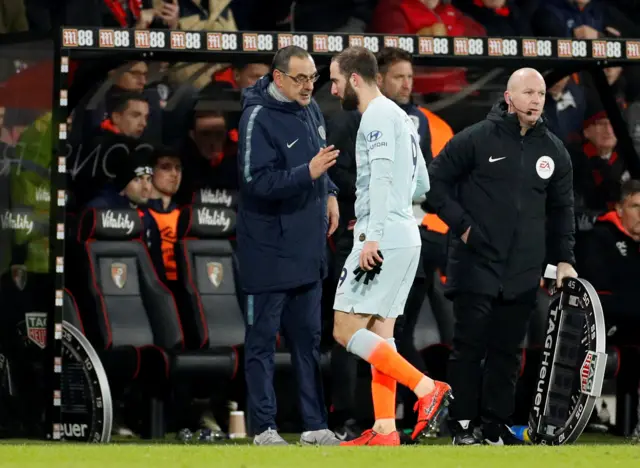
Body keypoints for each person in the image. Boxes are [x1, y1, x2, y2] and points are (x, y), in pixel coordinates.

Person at [425, 67, 578, 445]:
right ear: (509, 97)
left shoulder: (554, 151)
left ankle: (494, 426)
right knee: (470, 345)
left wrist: (564, 258)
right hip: (476, 261)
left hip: (523, 268)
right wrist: (461, 225)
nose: (536, 101)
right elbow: (433, 183)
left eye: (541, 94)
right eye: (528, 93)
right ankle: (461, 424)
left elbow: (563, 210)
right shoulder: (476, 138)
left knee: (508, 351)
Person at [329, 46, 451, 447]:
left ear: (354, 78)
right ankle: (385, 429)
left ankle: (425, 388)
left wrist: (372, 236)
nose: (331, 90)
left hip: (380, 236)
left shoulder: (376, 117)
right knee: (383, 335)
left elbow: (380, 177)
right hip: (408, 233)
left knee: (345, 330)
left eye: (333, 80)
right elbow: (422, 185)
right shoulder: (403, 117)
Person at [236, 45, 341, 446]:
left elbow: (321, 164)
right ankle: (264, 429)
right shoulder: (257, 117)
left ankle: (315, 426)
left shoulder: (311, 109)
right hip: (267, 253)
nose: (308, 86)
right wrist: (307, 173)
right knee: (262, 343)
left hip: (308, 252)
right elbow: (254, 181)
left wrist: (328, 191)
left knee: (309, 343)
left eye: (313, 77)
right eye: (300, 78)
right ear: (278, 78)